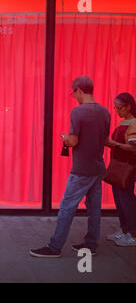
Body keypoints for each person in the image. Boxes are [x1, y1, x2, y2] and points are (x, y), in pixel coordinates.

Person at [30, 76, 110, 257]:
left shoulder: (78, 112)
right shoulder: (105, 112)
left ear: (79, 90)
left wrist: (66, 138)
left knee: (67, 207)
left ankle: (54, 247)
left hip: (82, 169)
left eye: (73, 93)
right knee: (94, 209)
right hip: (98, 167)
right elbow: (105, 140)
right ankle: (91, 244)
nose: (73, 96)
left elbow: (73, 141)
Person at [105, 93, 136, 246]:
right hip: (118, 166)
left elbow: (133, 148)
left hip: (129, 167)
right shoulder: (123, 123)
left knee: (127, 199)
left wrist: (113, 144)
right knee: (120, 199)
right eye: (115, 108)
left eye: (119, 108)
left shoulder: (134, 124)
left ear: (128, 106)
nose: (117, 111)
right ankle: (124, 229)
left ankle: (133, 234)